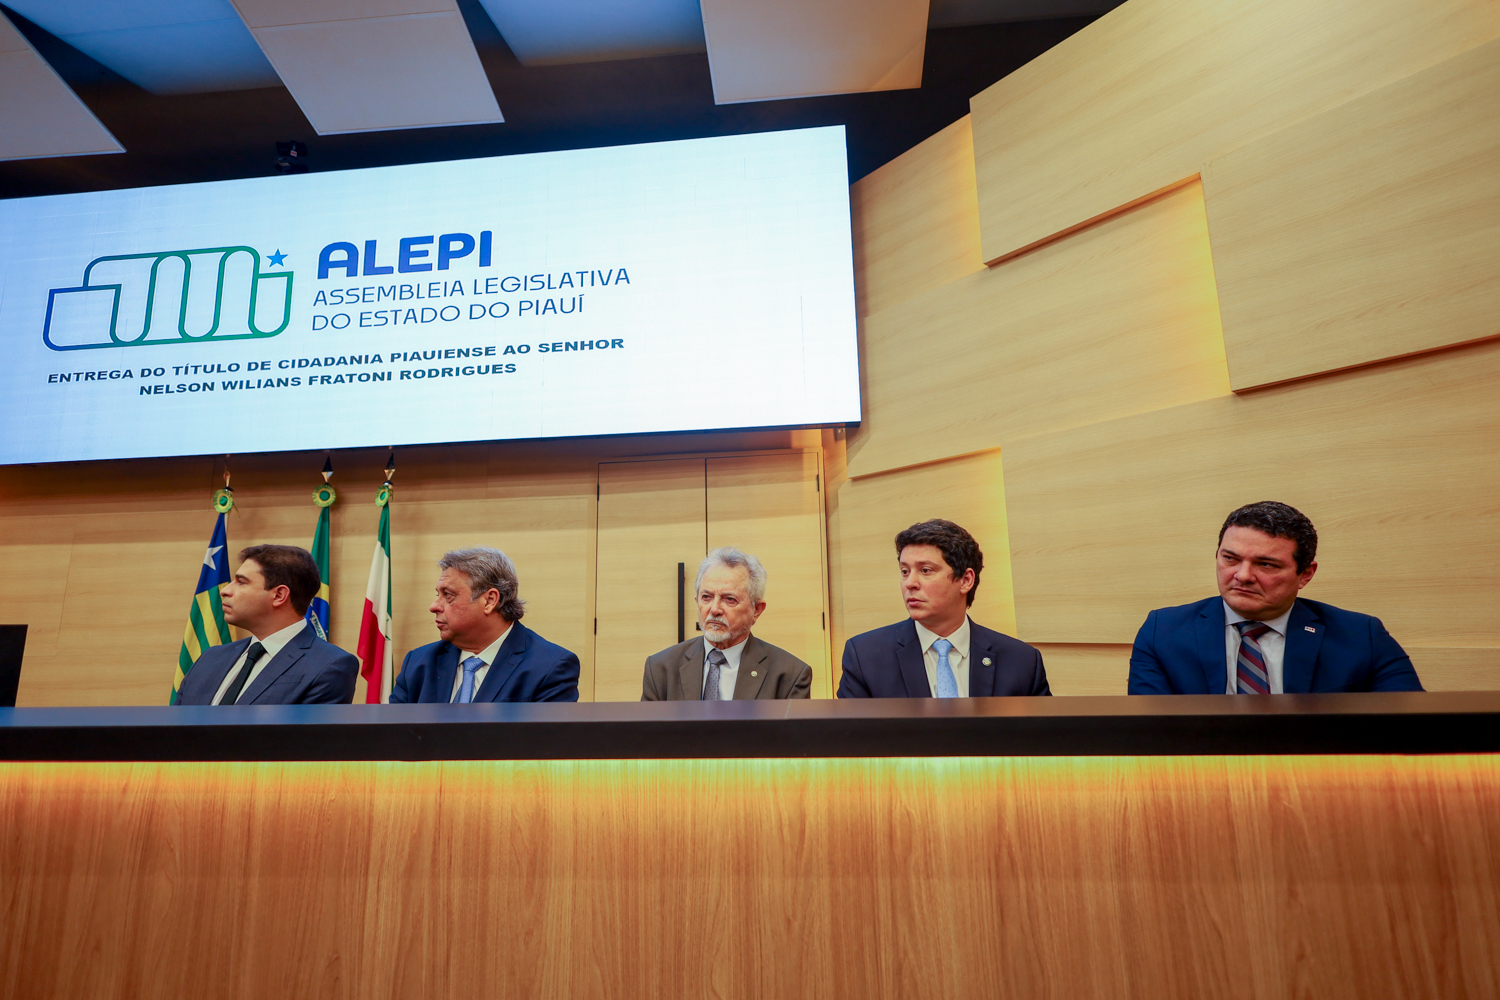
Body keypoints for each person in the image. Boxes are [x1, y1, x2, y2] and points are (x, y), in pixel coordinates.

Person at [1128, 501, 1423, 694]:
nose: (1243, 575)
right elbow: (1147, 735)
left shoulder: (1361, 636)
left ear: (1305, 574)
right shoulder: (1163, 631)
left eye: (1266, 564)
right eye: (1230, 558)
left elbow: (1413, 726)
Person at [837, 520, 1050, 698]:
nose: (910, 583)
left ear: (965, 580)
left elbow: (1042, 734)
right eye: (904, 571)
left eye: (925, 570)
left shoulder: (1021, 661)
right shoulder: (865, 657)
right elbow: (853, 735)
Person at [390, 547, 579, 703]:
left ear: (489, 600)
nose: (434, 606)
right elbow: (394, 734)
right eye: (437, 594)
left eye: (448, 595)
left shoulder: (550, 668)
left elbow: (545, 738)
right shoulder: (418, 664)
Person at [176, 544, 359, 705]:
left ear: (279, 595)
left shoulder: (329, 666)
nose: (225, 590)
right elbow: (173, 727)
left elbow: (305, 735)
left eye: (241, 582)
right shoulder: (210, 658)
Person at [641, 547, 812, 701]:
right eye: (706, 597)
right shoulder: (660, 669)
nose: (714, 609)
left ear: (757, 610)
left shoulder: (789, 676)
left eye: (729, 599)